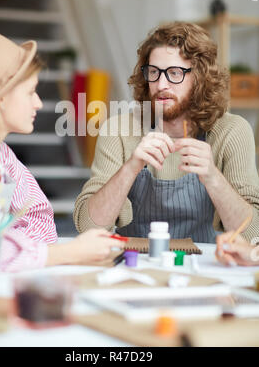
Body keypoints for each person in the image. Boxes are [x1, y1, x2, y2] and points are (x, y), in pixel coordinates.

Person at [74, 22, 259, 243]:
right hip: (134, 266)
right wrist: (130, 168)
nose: (161, 84)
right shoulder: (118, 130)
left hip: (201, 268)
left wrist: (212, 177)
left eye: (174, 73)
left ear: (200, 78)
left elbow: (253, 235)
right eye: (154, 72)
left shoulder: (231, 131)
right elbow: (88, 228)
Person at [0, 27, 124, 273]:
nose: (38, 103)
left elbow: (43, 223)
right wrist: (69, 252)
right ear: (0, 99)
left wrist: (9, 249)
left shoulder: (2, 157)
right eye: (30, 92)